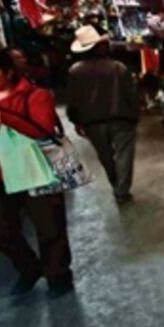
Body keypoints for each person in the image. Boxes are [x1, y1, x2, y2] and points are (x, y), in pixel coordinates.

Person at [0, 49, 74, 297]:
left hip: (36, 169)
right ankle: (29, 268)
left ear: (7, 72)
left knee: (50, 227)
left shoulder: (34, 95)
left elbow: (40, 129)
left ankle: (58, 275)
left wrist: (0, 117)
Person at [67, 25, 139, 204]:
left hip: (92, 122)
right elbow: (132, 94)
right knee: (124, 155)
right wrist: (135, 115)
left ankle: (117, 185)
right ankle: (121, 190)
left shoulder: (75, 71)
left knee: (106, 157)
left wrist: (75, 120)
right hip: (121, 118)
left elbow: (73, 99)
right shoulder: (118, 68)